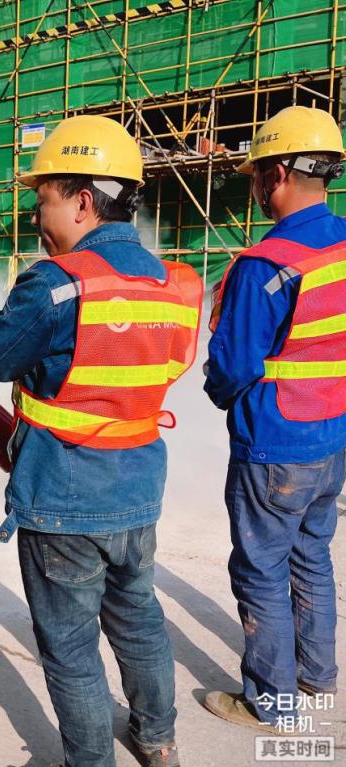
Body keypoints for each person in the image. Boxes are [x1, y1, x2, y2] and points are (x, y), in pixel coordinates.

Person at [0, 115, 202, 767]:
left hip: (64, 499)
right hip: (138, 489)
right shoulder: (171, 284)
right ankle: (158, 740)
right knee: (139, 619)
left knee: (72, 650)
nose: (35, 215)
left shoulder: (58, 283)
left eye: (43, 198)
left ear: (81, 200)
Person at [203, 105, 346, 730]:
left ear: (278, 173)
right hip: (333, 434)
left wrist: (217, 390)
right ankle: (316, 677)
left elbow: (232, 366)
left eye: (258, 174)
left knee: (261, 569)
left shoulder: (267, 263)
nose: (255, 187)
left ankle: (272, 702)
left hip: (275, 443)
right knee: (312, 554)